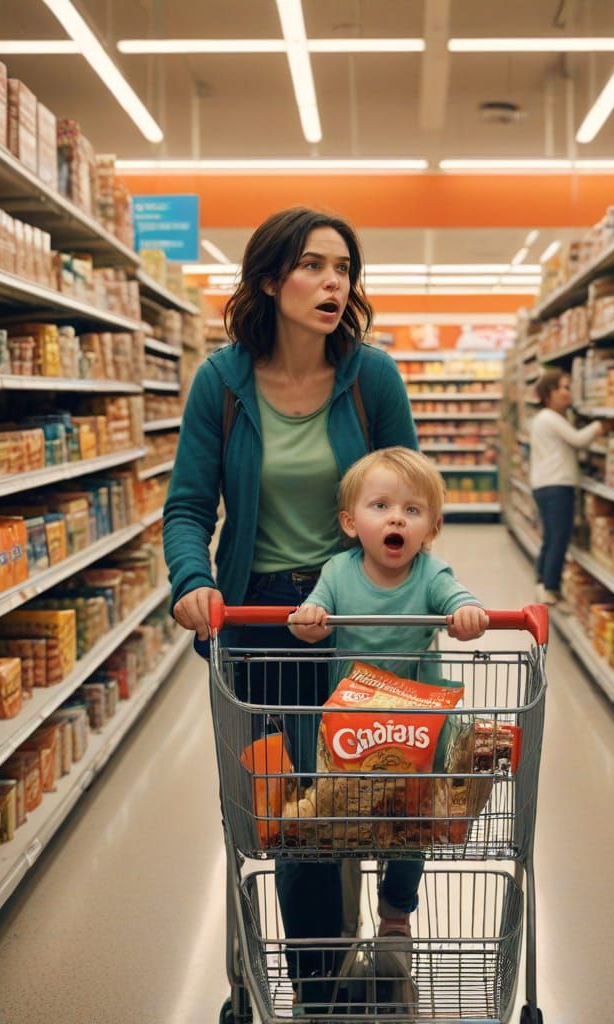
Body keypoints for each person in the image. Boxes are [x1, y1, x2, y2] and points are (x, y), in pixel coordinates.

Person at [163, 207, 418, 1012]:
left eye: (343, 267)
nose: (333, 282)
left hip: (359, 608)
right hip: (263, 621)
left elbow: (411, 495)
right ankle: (316, 990)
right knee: (292, 814)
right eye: (312, 265)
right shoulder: (222, 383)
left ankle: (391, 923)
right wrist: (188, 581)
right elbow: (187, 508)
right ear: (270, 280)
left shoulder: (371, 377)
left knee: (379, 789)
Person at [288, 446, 488, 1009]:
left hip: (419, 740)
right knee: (339, 815)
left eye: (413, 509)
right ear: (352, 523)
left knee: (412, 825)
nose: (397, 518)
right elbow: (311, 617)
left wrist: (467, 611)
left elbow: (457, 597)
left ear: (432, 528)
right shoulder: (335, 573)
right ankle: (340, 917)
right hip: (351, 740)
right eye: (380, 506)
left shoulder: (430, 573)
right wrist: (308, 620)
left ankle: (396, 913)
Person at [529, 367, 604, 605]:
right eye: (564, 387)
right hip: (556, 485)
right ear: (550, 392)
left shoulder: (543, 418)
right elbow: (578, 440)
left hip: (545, 484)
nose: (568, 392)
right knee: (559, 537)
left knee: (551, 537)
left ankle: (542, 582)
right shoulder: (550, 418)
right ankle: (550, 587)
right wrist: (604, 425)